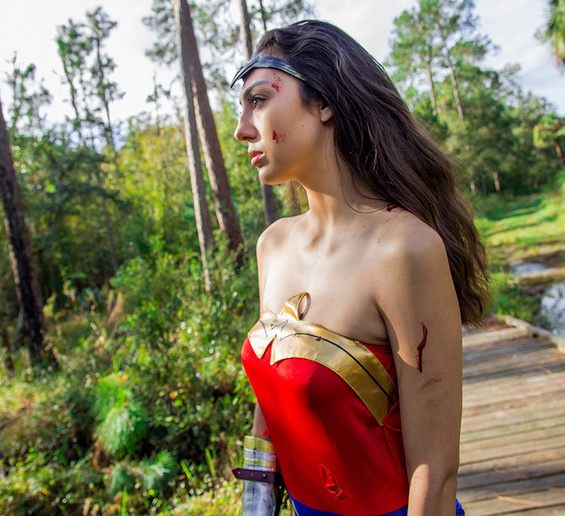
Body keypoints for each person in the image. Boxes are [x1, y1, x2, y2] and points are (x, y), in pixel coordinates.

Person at [230, 20, 488, 516]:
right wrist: (255, 505)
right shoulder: (273, 244)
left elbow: (434, 475)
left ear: (324, 102)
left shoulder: (405, 250)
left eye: (258, 100)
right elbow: (272, 402)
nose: (242, 128)